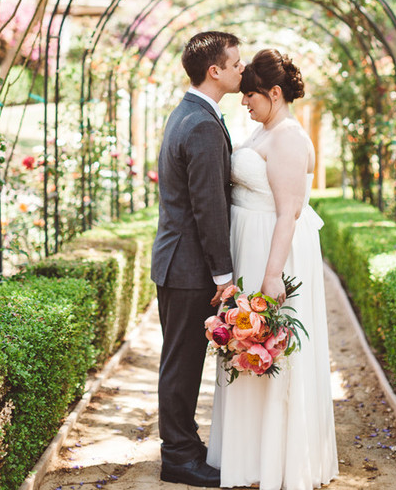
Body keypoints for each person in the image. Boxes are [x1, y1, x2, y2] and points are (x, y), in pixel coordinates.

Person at [207, 48, 339, 490]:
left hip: (271, 250)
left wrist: (271, 275)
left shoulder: (288, 138)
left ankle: (278, 460)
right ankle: (247, 456)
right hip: (251, 244)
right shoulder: (265, 130)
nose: (244, 101)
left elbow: (288, 212)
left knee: (272, 348)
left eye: (251, 94)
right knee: (245, 344)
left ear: (275, 93)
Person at [151, 30, 244, 487]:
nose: (242, 70)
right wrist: (223, 274)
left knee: (181, 361)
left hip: (176, 262)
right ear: (215, 70)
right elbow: (208, 206)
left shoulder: (188, 113)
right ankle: (179, 458)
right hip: (188, 267)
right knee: (182, 365)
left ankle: (185, 446)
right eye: (236, 64)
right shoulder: (202, 124)